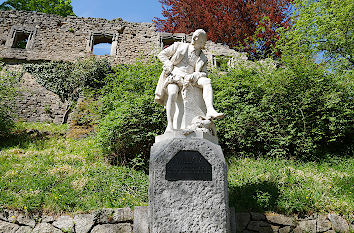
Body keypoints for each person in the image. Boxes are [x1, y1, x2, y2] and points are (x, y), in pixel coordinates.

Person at [155, 29, 224, 132]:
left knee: (206, 81)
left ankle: (210, 110)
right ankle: (170, 125)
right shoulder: (179, 46)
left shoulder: (203, 57)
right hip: (175, 75)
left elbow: (204, 73)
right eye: (200, 41)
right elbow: (162, 54)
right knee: (173, 93)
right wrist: (169, 64)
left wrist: (196, 74)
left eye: (203, 42)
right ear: (194, 39)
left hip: (191, 78)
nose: (202, 44)